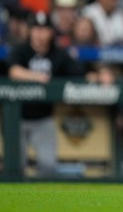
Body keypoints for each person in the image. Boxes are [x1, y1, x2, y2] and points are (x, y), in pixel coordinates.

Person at [6, 11, 86, 176]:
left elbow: (79, 73)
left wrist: (99, 75)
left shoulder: (58, 53)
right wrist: (36, 77)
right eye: (36, 29)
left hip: (43, 118)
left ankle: (42, 200)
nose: (40, 34)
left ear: (51, 32)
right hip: (17, 118)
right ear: (30, 31)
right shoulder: (21, 50)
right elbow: (13, 71)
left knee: (49, 166)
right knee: (15, 167)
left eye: (44, 29)